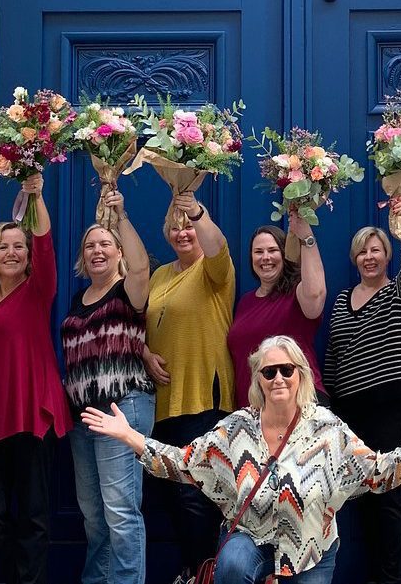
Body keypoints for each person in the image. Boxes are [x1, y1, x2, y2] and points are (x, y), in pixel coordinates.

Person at [81, 335, 401, 583]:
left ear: (301, 375)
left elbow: (376, 474)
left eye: (287, 369)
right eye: (269, 371)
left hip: (311, 550)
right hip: (251, 537)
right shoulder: (236, 429)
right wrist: (131, 437)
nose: (278, 378)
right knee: (231, 567)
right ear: (258, 379)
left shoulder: (327, 428)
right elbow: (184, 462)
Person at [0, 173, 72, 584]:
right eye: (3, 247)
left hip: (29, 413)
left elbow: (44, 243)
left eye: (18, 247)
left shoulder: (37, 290)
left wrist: (37, 195)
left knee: (34, 514)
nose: (11, 252)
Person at [323, 195, 401, 584]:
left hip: (390, 407)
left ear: (387, 256)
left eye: (376, 250)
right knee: (359, 495)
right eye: (362, 252)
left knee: (389, 495)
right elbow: (332, 351)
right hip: (350, 410)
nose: (369, 257)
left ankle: (390, 578)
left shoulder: (399, 293)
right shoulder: (343, 299)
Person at [60, 190, 155, 584]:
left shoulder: (127, 291)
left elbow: (140, 268)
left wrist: (121, 217)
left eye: (105, 244)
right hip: (84, 417)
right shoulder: (78, 297)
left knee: (120, 512)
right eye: (90, 246)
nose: (97, 250)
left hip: (123, 408)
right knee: (94, 515)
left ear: (119, 252)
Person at [143, 190, 236, 576]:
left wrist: (196, 211)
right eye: (175, 227)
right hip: (164, 400)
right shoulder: (161, 274)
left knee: (194, 494)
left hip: (203, 395)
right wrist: (145, 354)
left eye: (189, 227)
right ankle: (192, 569)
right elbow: (145, 324)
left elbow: (216, 246)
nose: (183, 233)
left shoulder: (214, 270)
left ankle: (204, 572)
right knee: (170, 494)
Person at [227, 213, 327, 408]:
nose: (265, 257)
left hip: (298, 402)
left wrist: (306, 238)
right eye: (258, 252)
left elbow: (316, 295)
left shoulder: (297, 292)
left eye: (273, 250)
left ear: (284, 254)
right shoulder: (245, 302)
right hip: (254, 409)